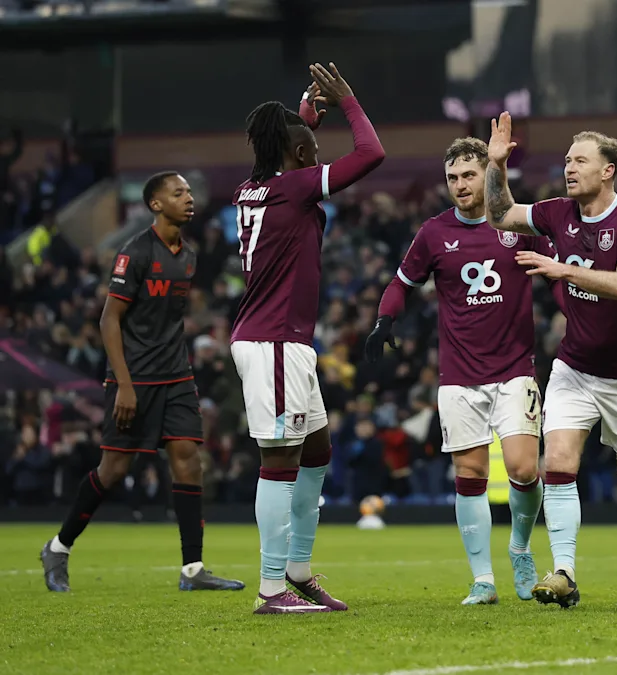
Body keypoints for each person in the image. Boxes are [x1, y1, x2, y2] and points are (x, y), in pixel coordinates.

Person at [365, 137, 552, 605]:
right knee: (468, 474)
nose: (460, 185)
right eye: (452, 178)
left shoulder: (518, 223)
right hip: (459, 376)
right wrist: (385, 320)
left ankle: (520, 547)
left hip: (514, 369)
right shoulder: (434, 232)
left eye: (469, 175)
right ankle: (483, 580)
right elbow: (401, 283)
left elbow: (558, 271)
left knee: (523, 469)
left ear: (488, 175)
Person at [485, 112, 617, 608]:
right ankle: (563, 572)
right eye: (566, 160)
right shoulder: (558, 212)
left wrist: (562, 270)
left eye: (581, 160)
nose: (569, 168)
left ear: (608, 170)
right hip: (574, 367)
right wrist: (496, 165)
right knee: (558, 462)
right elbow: (501, 214)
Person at [40, 172, 243, 594]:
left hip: (177, 374)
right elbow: (108, 320)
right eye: (178, 193)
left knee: (187, 458)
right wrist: (124, 385)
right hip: (133, 378)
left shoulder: (189, 256)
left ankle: (193, 569)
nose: (188, 198)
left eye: (189, 192)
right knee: (113, 470)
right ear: (155, 204)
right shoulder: (134, 253)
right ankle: (58, 548)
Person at [229, 63, 384, 614]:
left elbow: (285, 155)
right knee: (280, 460)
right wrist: (349, 102)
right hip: (273, 341)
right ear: (297, 155)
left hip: (281, 339)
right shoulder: (294, 188)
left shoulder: (252, 189)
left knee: (316, 450)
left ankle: (296, 568)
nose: (318, 159)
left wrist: (303, 123)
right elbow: (370, 154)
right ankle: (271, 587)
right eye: (312, 151)